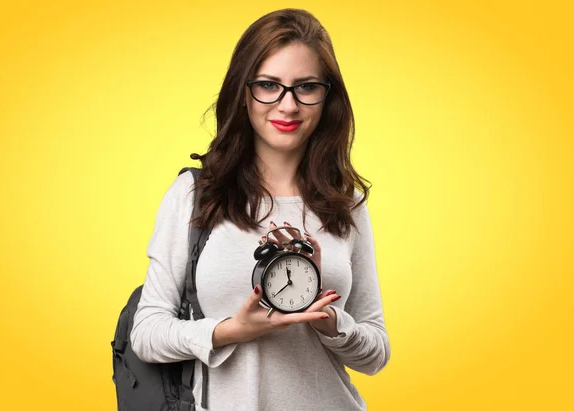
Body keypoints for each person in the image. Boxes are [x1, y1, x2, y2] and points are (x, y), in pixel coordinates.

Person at [130, 8, 390, 411]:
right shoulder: (196, 194)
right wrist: (231, 330)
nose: (288, 106)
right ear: (243, 91)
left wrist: (332, 321)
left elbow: (375, 355)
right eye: (269, 85)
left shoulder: (346, 204)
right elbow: (147, 334)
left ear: (327, 97)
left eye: (306, 87)